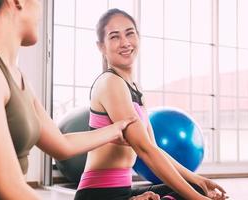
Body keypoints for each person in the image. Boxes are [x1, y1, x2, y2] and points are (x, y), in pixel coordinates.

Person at [0, 1, 137, 200]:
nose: (40, 11)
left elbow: (61, 145)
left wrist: (116, 129)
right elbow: (9, 186)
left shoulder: (17, 76)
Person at [74, 8, 228, 200]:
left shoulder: (135, 88)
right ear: (101, 47)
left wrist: (197, 180)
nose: (125, 42)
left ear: (138, 37)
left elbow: (154, 147)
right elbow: (144, 150)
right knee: (191, 195)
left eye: (129, 33)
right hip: (98, 194)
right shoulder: (109, 82)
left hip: (124, 191)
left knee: (194, 189)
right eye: (114, 37)